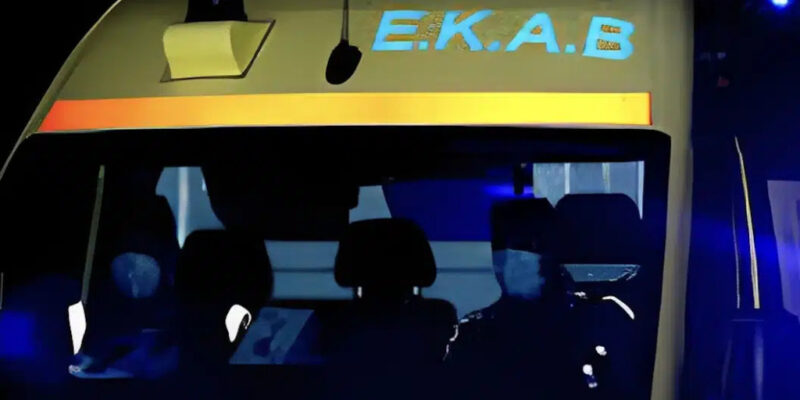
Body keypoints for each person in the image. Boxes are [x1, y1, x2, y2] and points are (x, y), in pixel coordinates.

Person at [444, 198, 583, 398]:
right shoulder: (476, 333)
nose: (509, 265)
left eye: (524, 251)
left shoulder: (587, 324)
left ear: (551, 257)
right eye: (502, 252)